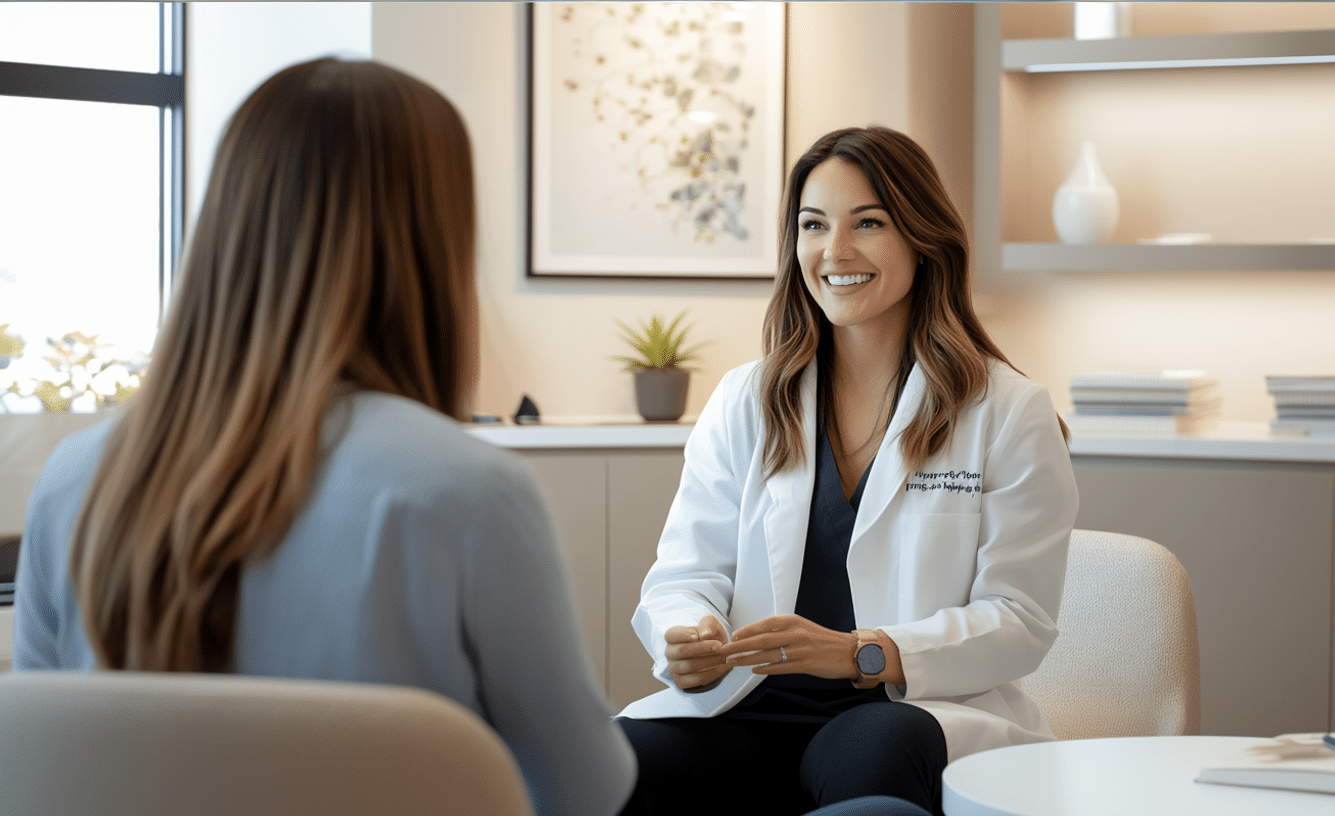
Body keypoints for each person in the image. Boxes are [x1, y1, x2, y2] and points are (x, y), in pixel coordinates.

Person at [9, 58, 635, 816]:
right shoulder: (464, 492)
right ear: (433, 244)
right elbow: (588, 789)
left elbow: (37, 752)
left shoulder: (79, 476)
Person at [616, 126, 1080, 816]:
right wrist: (687, 635)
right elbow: (685, 575)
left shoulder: (1008, 411)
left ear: (924, 239)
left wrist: (864, 652)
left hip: (907, 709)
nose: (835, 252)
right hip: (749, 704)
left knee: (875, 752)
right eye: (813, 224)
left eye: (869, 222)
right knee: (619, 762)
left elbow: (1019, 620)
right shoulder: (748, 397)